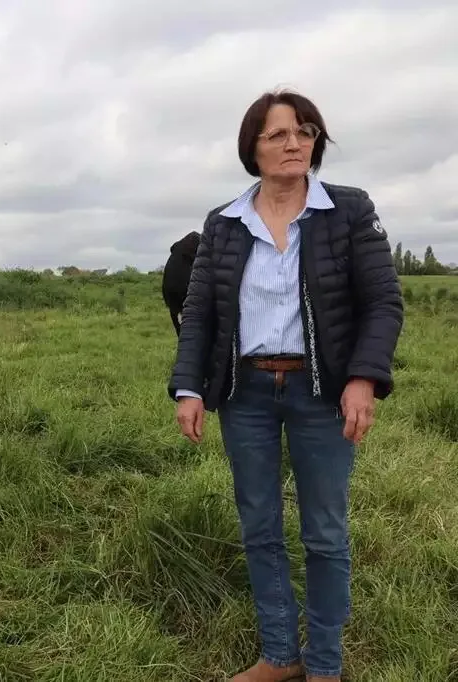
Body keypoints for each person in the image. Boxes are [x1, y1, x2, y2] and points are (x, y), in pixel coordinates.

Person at [167, 88, 404, 682]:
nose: (294, 142)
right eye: (278, 134)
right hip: (243, 393)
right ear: (253, 147)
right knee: (259, 526)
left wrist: (364, 379)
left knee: (325, 531)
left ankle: (324, 665)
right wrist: (190, 387)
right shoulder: (223, 223)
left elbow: (382, 302)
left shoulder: (348, 210)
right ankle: (280, 655)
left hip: (322, 393)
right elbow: (199, 315)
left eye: (305, 131)